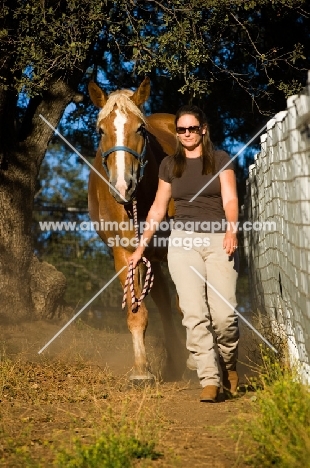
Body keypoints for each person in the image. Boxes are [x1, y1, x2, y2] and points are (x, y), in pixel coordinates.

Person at [128, 104, 239, 403]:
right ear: (176, 133)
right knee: (193, 314)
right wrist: (141, 247)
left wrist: (231, 230)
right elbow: (157, 209)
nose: (187, 133)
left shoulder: (219, 159)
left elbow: (230, 199)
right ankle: (209, 378)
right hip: (182, 241)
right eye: (181, 129)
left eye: (192, 128)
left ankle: (229, 366)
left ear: (203, 129)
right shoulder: (169, 165)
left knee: (225, 316)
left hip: (218, 240)